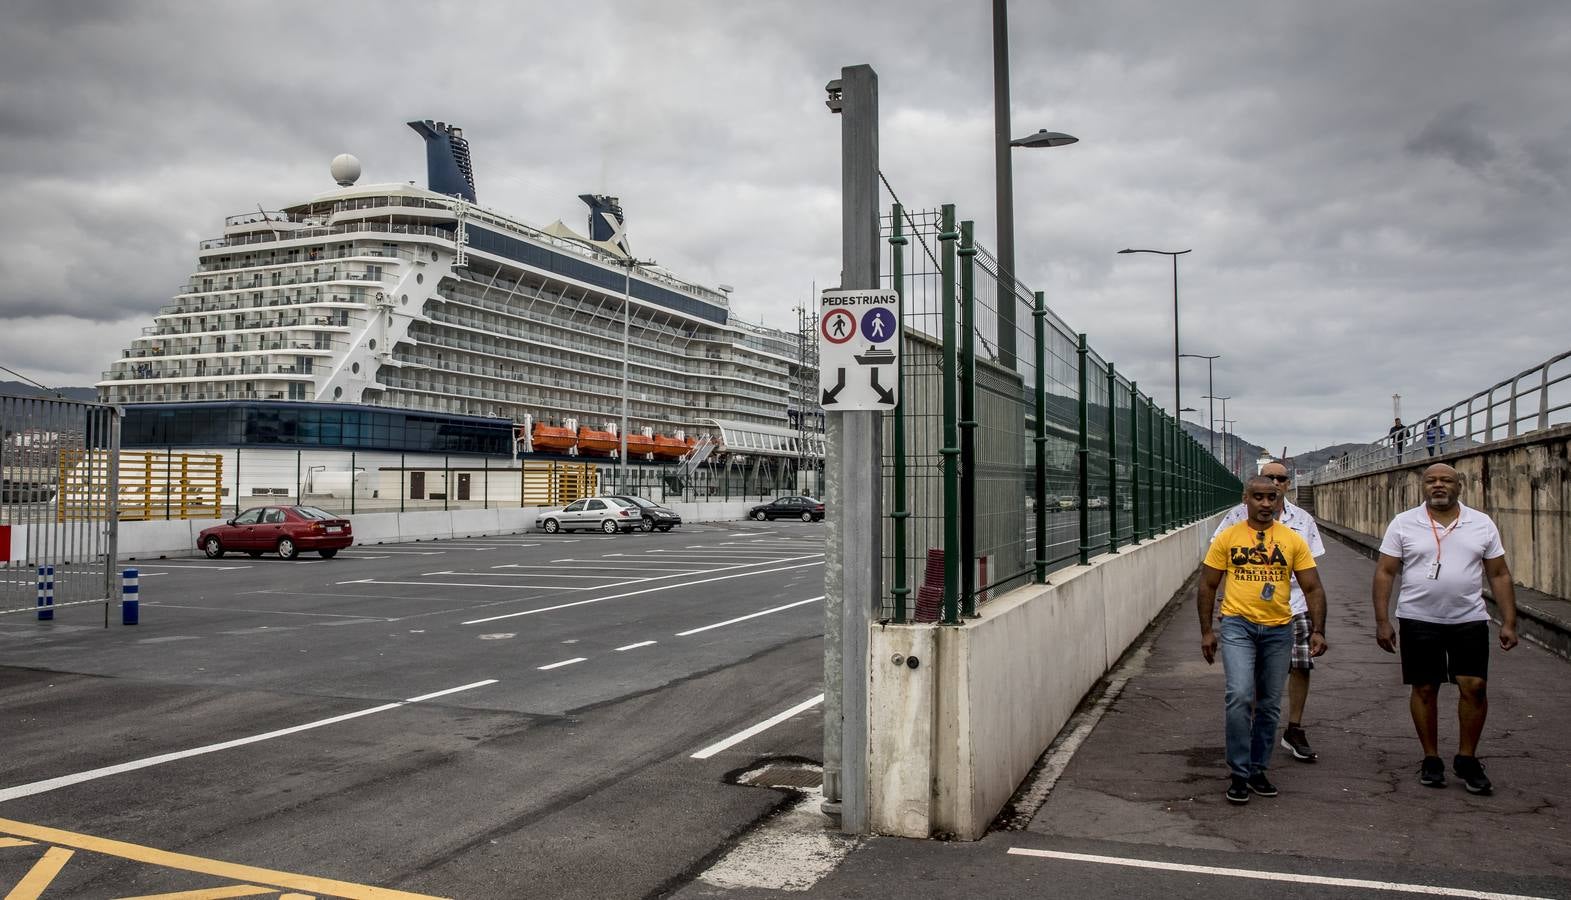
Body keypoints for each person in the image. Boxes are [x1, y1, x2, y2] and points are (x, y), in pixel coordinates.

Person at [1372, 463, 1518, 794]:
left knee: (1474, 685)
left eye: (1446, 480)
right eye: (1432, 480)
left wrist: (1509, 621)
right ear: (1423, 486)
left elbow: (1498, 573)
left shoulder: (1480, 524)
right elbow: (1385, 572)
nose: (1439, 485)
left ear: (1459, 486)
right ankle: (1431, 758)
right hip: (1418, 618)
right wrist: (1383, 621)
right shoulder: (1404, 523)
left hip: (1469, 618)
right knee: (1425, 687)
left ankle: (1467, 758)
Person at [1198, 475, 1329, 804]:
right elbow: (1208, 585)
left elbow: (1312, 587)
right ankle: (1239, 773)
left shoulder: (1292, 540)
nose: (1266, 504)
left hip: (1279, 629)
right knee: (1240, 695)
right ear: (1246, 499)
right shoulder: (1228, 537)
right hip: (1238, 626)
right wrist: (1206, 631)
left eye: (1272, 497)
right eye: (1259, 497)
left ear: (1279, 498)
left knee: (1269, 705)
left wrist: (1318, 629)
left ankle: (1258, 768)